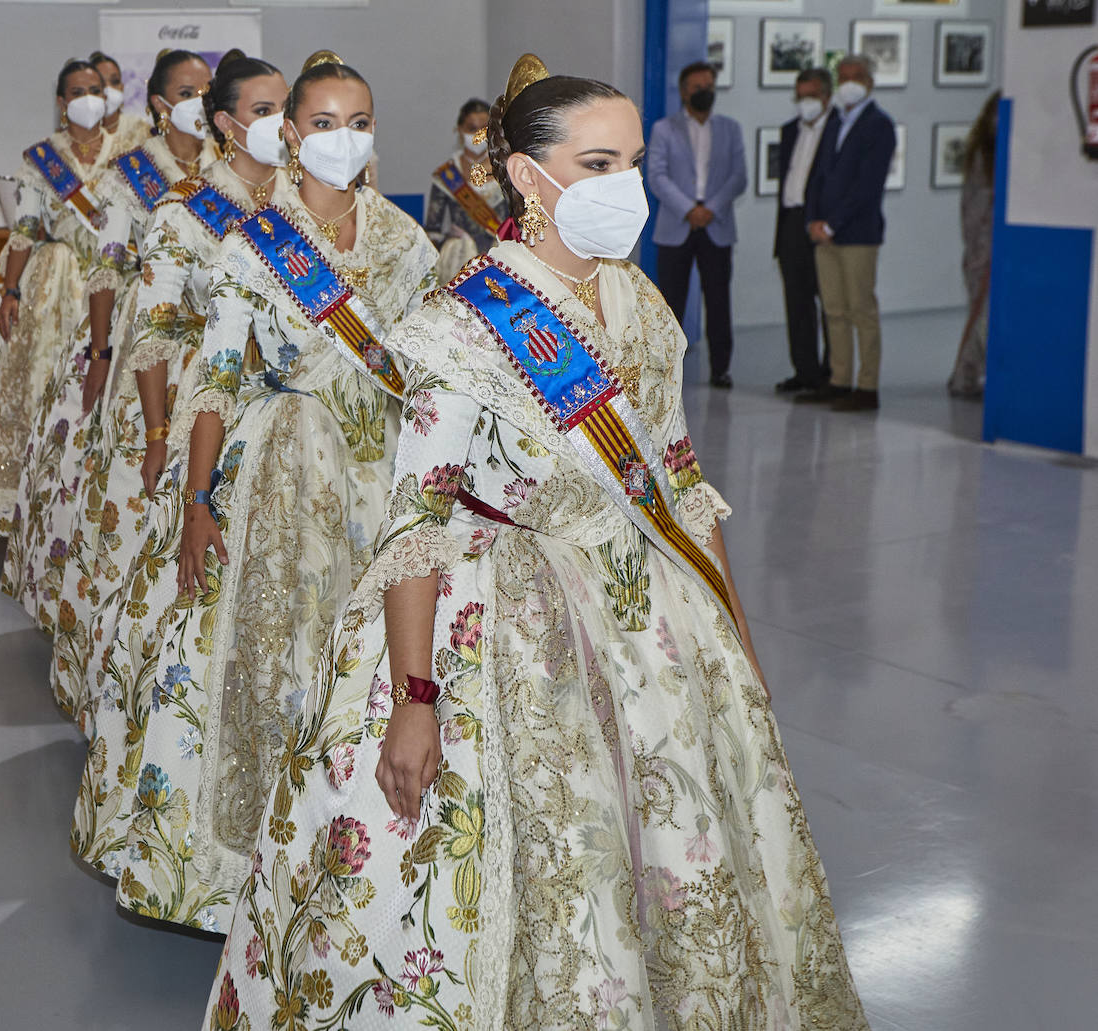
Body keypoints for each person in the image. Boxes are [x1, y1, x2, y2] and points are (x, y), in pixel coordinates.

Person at [202, 53, 868, 1030]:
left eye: (633, 162)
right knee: (553, 863)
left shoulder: (640, 303)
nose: (625, 187)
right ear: (530, 177)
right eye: (598, 164)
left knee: (672, 853)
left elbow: (681, 485)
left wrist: (739, 644)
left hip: (651, 624)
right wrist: (414, 702)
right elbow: (418, 524)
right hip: (509, 625)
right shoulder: (463, 326)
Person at [71, 54, 438, 929]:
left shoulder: (407, 243)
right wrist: (198, 504)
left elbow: (430, 379)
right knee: (259, 664)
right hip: (271, 475)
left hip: (379, 480)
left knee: (369, 673)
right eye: (320, 124)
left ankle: (357, 862)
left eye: (359, 123)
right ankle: (241, 867)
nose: (340, 140)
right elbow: (214, 382)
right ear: (290, 134)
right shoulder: (253, 239)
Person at [50, 47, 287, 726]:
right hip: (195, 397)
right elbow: (151, 331)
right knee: (171, 564)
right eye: (261, 111)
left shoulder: (304, 205)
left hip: (285, 408)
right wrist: (158, 433)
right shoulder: (185, 206)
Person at [0, 49, 214, 630]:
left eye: (209, 90)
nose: (203, 102)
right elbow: (107, 271)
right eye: (190, 92)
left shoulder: (228, 167)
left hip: (216, 349)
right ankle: (126, 619)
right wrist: (99, 354)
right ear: (162, 105)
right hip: (145, 344)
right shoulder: (133, 174)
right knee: (135, 476)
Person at [0, 59, 119, 535]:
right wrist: (10, 290)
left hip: (111, 281)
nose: (88, 97)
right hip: (56, 285)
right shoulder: (42, 159)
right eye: (77, 90)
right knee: (39, 387)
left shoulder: (128, 154)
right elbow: (23, 230)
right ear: (62, 103)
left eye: (95, 89)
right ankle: (25, 505)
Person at [800, 54, 896, 412]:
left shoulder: (879, 125)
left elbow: (867, 186)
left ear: (869, 80)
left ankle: (867, 386)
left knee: (861, 310)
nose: (850, 81)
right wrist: (813, 219)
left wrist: (832, 223)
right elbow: (818, 176)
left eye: (857, 75)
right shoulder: (835, 120)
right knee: (834, 310)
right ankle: (839, 380)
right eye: (843, 76)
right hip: (824, 233)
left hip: (857, 234)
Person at [649, 60, 747, 388]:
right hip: (677, 225)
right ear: (683, 92)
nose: (704, 92)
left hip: (716, 226)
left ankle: (721, 369)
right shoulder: (665, 128)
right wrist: (690, 209)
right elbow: (657, 176)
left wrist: (709, 209)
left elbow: (738, 177)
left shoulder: (730, 128)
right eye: (696, 87)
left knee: (718, 300)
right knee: (671, 301)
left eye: (708, 86)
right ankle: (669, 368)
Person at [774, 68, 837, 394]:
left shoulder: (838, 130)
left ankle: (832, 373)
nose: (804, 103)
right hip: (791, 223)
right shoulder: (789, 130)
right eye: (799, 96)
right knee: (796, 302)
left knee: (829, 302)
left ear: (826, 97)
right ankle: (805, 372)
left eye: (810, 96)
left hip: (822, 225)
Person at [948, 90, 999, 399]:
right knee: (981, 312)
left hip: (984, 245)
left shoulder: (984, 153)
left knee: (983, 313)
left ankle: (967, 372)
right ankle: (964, 374)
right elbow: (976, 209)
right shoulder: (985, 157)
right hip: (985, 246)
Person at [425, 98, 509, 284]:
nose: (478, 135)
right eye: (472, 128)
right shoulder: (447, 175)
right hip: (458, 261)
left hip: (501, 258)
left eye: (484, 128)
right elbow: (433, 231)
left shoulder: (507, 171)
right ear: (459, 130)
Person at [91, 50, 153, 151]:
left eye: (114, 82)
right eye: (101, 82)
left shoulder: (140, 130)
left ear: (122, 87)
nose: (108, 89)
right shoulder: (80, 133)